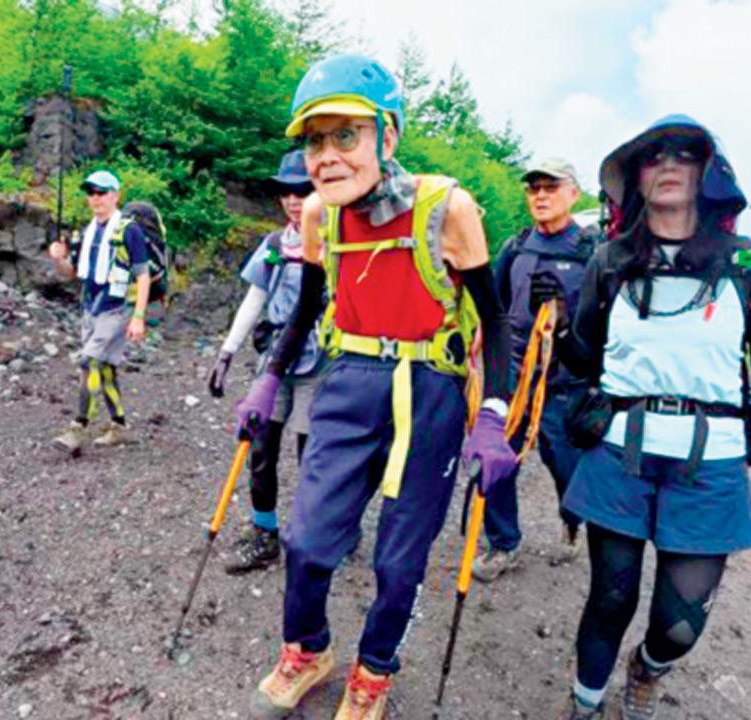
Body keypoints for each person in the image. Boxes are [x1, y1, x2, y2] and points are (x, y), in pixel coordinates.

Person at [233, 53, 515, 719]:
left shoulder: (448, 208)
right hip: (349, 380)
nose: (326, 157)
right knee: (307, 541)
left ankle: (374, 675)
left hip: (430, 388)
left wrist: (493, 415)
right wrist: (268, 380)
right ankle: (307, 650)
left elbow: (496, 320)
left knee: (399, 560)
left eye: (345, 135)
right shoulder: (319, 217)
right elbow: (306, 309)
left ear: (387, 135)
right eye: (314, 141)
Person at [549, 115, 751, 719]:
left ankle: (648, 668)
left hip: (711, 462)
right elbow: (584, 358)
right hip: (619, 451)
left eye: (684, 154)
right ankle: (585, 705)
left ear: (709, 171)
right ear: (636, 177)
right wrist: (560, 325)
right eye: (653, 155)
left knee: (680, 622)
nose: (668, 164)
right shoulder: (610, 260)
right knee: (609, 598)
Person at [474, 158, 600, 581]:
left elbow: (601, 322)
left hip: (564, 381)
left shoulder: (591, 252)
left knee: (564, 464)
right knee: (495, 457)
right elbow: (495, 307)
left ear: (573, 194)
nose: (541, 195)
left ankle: (572, 520)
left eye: (551, 187)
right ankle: (503, 543)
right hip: (512, 375)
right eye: (534, 188)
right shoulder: (517, 247)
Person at [207, 150, 320, 575]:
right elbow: (254, 300)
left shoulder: (335, 244)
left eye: (302, 192)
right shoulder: (275, 245)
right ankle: (265, 532)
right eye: (286, 193)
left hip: (320, 363)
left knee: (313, 456)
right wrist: (227, 352)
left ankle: (317, 533)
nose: (293, 201)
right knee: (260, 446)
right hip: (274, 359)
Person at [49, 170, 151, 454]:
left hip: (117, 309)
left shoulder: (129, 230)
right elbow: (70, 273)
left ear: (115, 196)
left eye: (101, 192)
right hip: (90, 309)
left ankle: (77, 427)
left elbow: (143, 275)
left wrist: (138, 317)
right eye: (91, 193)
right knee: (105, 368)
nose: (95, 198)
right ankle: (119, 426)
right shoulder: (87, 231)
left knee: (88, 362)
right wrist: (58, 259)